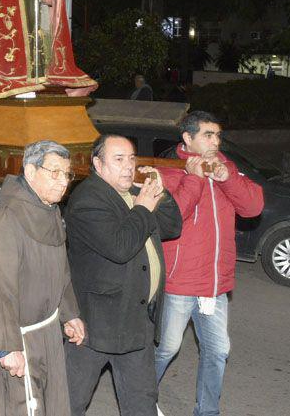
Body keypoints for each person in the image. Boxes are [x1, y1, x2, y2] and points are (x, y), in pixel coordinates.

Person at [0, 140, 86, 415]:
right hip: (14, 338)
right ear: (30, 171)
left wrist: (69, 313)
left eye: (67, 174)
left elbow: (58, 269)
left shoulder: (49, 211)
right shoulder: (4, 217)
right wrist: (5, 348)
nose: (63, 181)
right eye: (54, 172)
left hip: (45, 333)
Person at [63, 134, 182, 415]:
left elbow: (171, 228)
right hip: (97, 324)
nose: (129, 166)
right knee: (68, 402)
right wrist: (143, 207)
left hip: (136, 320)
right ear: (98, 164)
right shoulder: (88, 199)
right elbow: (120, 247)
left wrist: (160, 195)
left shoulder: (131, 193)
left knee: (141, 403)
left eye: (131, 159)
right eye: (119, 159)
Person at [155, 111, 264, 416]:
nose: (216, 141)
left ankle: (207, 411)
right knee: (166, 348)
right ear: (187, 138)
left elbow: (253, 206)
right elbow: (171, 218)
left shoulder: (226, 167)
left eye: (218, 135)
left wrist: (227, 179)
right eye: (207, 135)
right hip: (179, 282)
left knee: (218, 351)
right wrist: (194, 178)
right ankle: (140, 399)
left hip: (214, 284)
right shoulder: (169, 171)